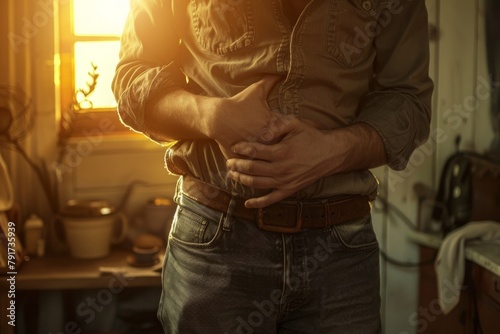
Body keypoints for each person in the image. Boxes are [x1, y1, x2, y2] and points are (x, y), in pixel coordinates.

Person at [112, 0, 433, 332]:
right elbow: (131, 80)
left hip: (340, 252)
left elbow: (409, 101)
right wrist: (210, 116)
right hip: (214, 241)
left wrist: (331, 151)